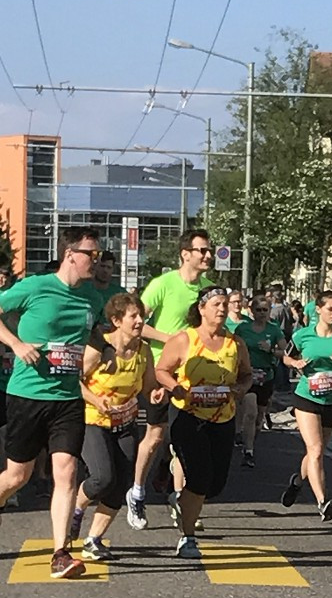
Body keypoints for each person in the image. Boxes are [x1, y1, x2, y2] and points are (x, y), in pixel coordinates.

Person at [0, 227, 108, 578]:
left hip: (67, 398)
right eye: (91, 254)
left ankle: (61, 553)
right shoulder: (36, 287)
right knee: (17, 476)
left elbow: (96, 333)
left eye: (99, 255)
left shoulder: (92, 297)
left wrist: (103, 352)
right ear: (70, 254)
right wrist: (15, 344)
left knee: (67, 472)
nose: (97, 261)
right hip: (28, 394)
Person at [124, 229, 214, 531]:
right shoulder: (162, 284)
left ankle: (181, 498)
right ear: (185, 253)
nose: (208, 256)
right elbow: (138, 325)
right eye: (201, 250)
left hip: (194, 375)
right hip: (161, 371)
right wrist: (171, 339)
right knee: (157, 435)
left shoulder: (208, 290)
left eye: (209, 250)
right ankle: (136, 491)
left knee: (188, 439)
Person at [155, 286, 252, 558]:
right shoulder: (184, 340)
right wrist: (176, 388)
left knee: (216, 484)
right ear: (201, 309)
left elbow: (246, 375)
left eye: (225, 304)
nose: (222, 309)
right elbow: (161, 370)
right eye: (216, 304)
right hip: (188, 415)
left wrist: (240, 389)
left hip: (223, 417)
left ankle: (182, 501)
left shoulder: (236, 343)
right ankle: (187, 537)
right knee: (199, 477)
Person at [72, 293, 164, 560]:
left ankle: (93, 540)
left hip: (125, 421)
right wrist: (95, 399)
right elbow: (75, 382)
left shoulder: (143, 350)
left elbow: (148, 387)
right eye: (133, 316)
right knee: (102, 477)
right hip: (94, 419)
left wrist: (156, 394)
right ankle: (76, 511)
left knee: (120, 482)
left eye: (141, 316)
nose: (139, 321)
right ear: (116, 320)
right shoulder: (101, 346)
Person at [280, 290, 332, 520]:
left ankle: (297, 481)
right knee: (315, 450)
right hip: (307, 397)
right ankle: (323, 501)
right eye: (330, 309)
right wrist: (296, 362)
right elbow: (286, 357)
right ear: (318, 309)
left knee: (317, 451)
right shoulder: (303, 336)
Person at [233, 295, 287, 467]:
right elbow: (232, 347)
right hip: (247, 376)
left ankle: (249, 440)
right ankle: (248, 452)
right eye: (258, 310)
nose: (262, 313)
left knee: (258, 419)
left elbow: (286, 353)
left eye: (265, 309)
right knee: (250, 411)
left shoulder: (274, 329)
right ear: (251, 311)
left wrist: (271, 349)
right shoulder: (243, 328)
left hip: (266, 376)